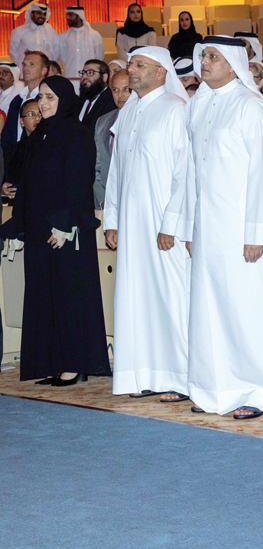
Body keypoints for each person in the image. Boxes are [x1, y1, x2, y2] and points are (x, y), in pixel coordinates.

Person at [185, 36, 263, 420]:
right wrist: (188, 228)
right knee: (211, 310)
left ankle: (258, 391)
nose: (205, 61)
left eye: (213, 56)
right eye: (203, 56)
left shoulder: (251, 106)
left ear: (233, 64)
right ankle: (215, 388)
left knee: (247, 310)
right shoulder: (198, 103)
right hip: (208, 226)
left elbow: (262, 173)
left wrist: (255, 233)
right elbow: (191, 173)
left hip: (244, 228)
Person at [1, 75, 109, 386]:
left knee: (69, 296)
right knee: (43, 297)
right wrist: (18, 225)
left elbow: (77, 181)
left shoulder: (76, 133)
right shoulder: (38, 136)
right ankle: (52, 361)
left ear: (63, 98)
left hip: (65, 231)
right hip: (38, 231)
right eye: (41, 97)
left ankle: (74, 364)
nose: (44, 103)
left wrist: (64, 224)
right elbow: (29, 185)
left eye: (50, 97)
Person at [102, 46, 191, 401]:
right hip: (131, 223)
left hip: (163, 225)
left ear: (161, 71)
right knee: (135, 297)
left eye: (140, 65)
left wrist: (172, 223)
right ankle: (143, 373)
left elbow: (185, 174)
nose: (132, 70)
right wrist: (112, 219)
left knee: (170, 295)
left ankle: (180, 378)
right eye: (130, 64)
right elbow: (116, 172)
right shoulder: (128, 112)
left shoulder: (176, 109)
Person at [93, 70, 132, 209]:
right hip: (107, 204)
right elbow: (96, 165)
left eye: (126, 89)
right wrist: (103, 199)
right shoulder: (103, 121)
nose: (120, 95)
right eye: (115, 90)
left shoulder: (146, 120)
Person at [1, 50, 49, 154]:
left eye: (31, 64)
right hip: (15, 158)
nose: (25, 68)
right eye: (24, 64)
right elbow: (7, 132)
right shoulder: (17, 99)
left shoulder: (47, 99)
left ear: (43, 71)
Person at [2, 99, 40, 202]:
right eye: (31, 114)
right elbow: (5, 178)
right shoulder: (13, 150)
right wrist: (3, 189)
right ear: (21, 121)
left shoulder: (55, 147)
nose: (37, 118)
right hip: (17, 206)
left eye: (40, 113)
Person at [57, 7, 103, 86]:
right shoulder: (64, 36)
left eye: (70, 15)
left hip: (90, 80)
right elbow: (64, 59)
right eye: (67, 15)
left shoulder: (94, 35)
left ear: (79, 16)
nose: (67, 18)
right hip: (71, 78)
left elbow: (99, 57)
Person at [8, 3, 58, 67]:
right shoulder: (19, 31)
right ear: (31, 14)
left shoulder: (52, 32)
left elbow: (56, 52)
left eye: (44, 14)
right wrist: (24, 65)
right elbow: (13, 52)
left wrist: (48, 66)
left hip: (45, 71)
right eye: (39, 13)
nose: (42, 16)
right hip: (26, 71)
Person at [78, 60, 116, 131]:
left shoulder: (111, 101)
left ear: (104, 77)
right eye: (83, 73)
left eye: (90, 73)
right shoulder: (81, 99)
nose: (84, 77)